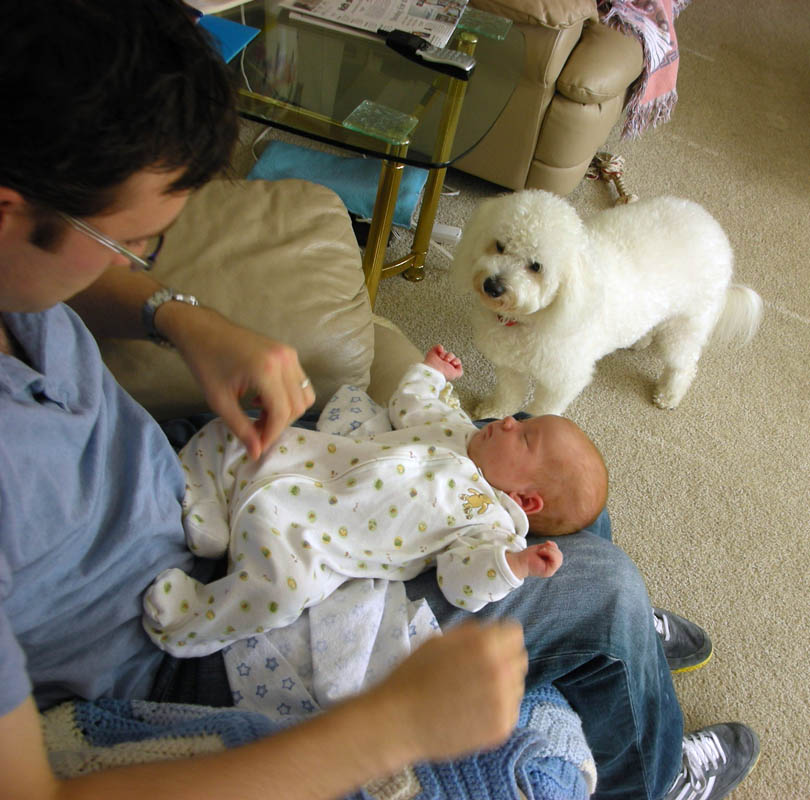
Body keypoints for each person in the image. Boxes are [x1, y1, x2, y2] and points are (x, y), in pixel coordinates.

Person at [0, 2, 759, 800]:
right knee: (600, 584)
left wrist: (180, 318)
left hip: (197, 470)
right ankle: (648, 761)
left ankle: (609, 648)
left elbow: (70, 277)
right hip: (181, 628)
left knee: (550, 478)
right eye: (136, 244)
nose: (139, 264)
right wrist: (391, 728)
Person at [143, 344, 599, 657]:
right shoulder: (458, 429)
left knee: (281, 592)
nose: (508, 421)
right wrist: (432, 373)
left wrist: (513, 565)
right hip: (305, 459)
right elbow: (411, 404)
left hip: (311, 541)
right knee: (233, 430)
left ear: (526, 501)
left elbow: (462, 583)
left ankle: (190, 619)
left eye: (524, 437)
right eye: (522, 420)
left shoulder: (491, 523)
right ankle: (204, 504)